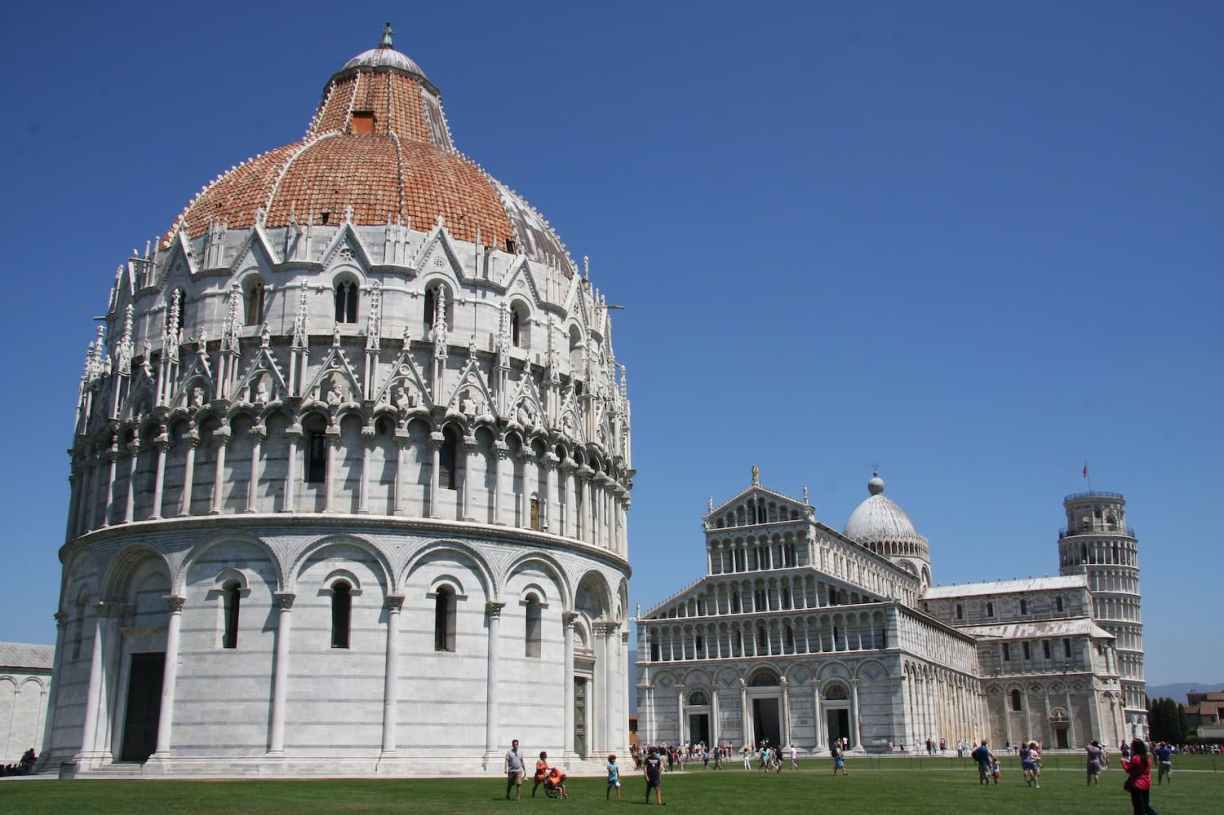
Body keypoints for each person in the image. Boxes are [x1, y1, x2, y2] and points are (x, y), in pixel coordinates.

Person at [1122, 739, 1158, 815]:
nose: (1131, 747)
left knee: (1138, 808)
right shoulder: (1148, 757)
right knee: (1145, 806)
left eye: (1132, 745)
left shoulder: (1136, 758)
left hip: (1137, 784)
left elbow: (1129, 770)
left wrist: (1123, 762)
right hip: (1146, 783)